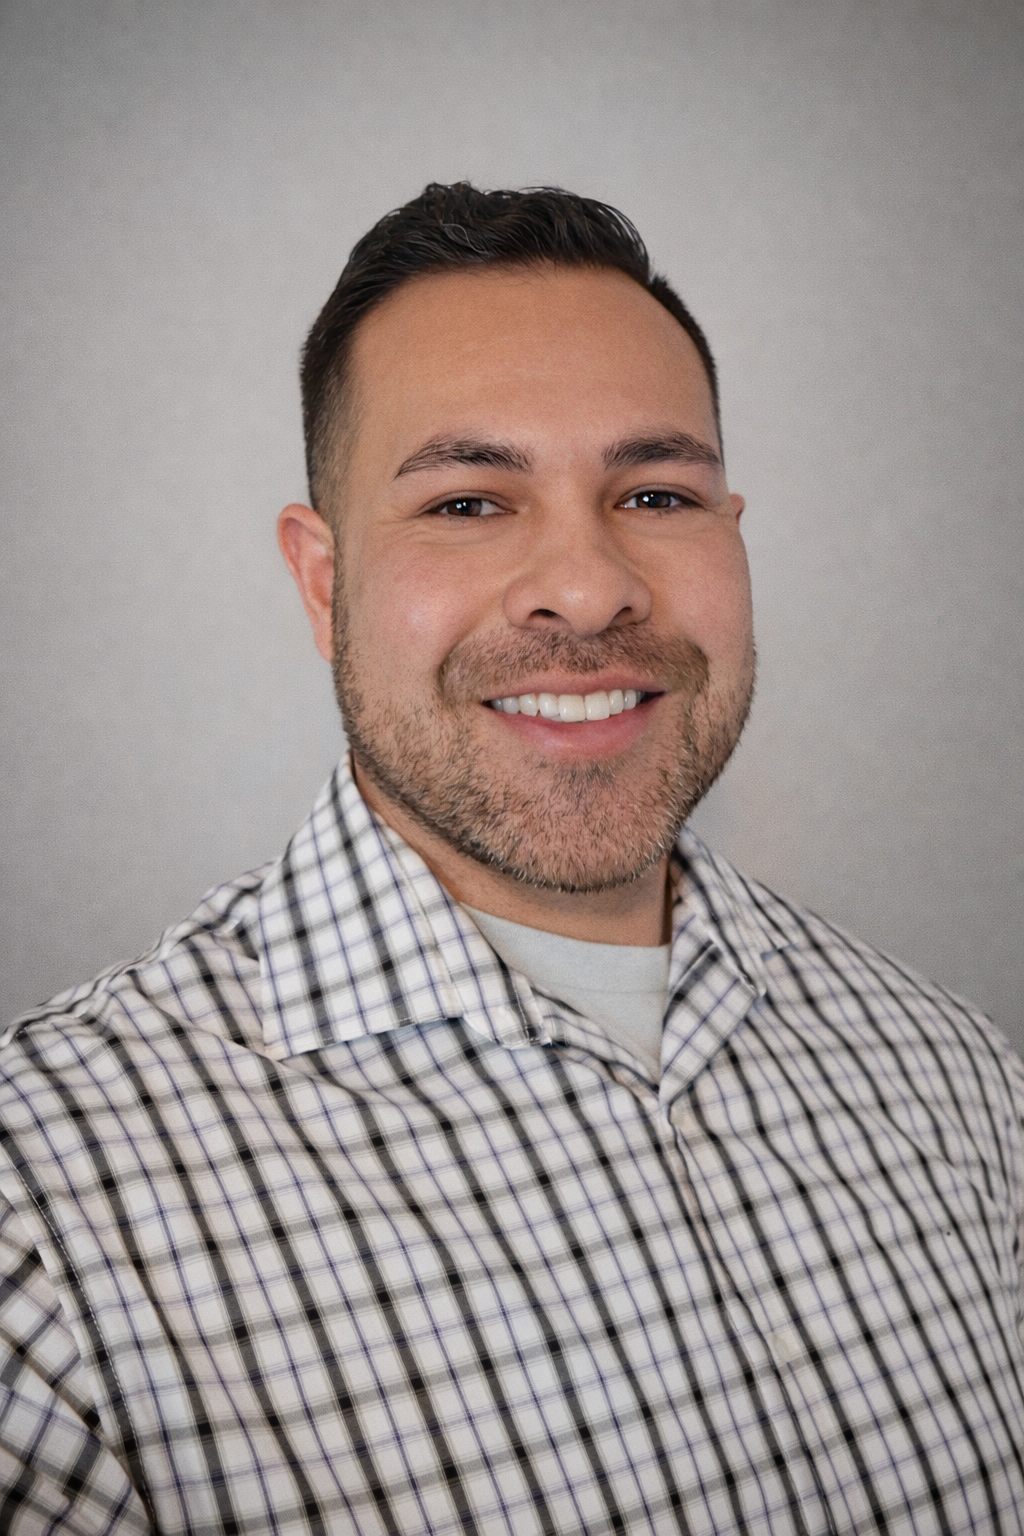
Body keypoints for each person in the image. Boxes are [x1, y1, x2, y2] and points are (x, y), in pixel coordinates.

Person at [1, 183, 1021, 1536]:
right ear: (322, 583)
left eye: (657, 491)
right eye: (470, 503)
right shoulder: (43, 1221)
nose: (589, 586)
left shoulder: (961, 1082)